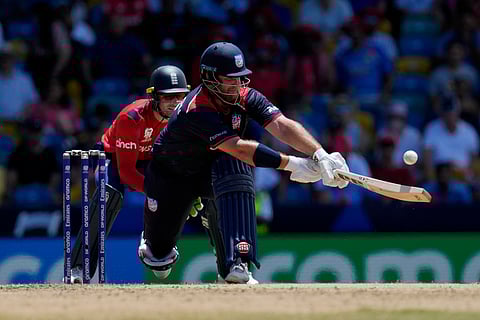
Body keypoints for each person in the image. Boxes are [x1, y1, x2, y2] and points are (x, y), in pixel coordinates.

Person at [138, 42, 350, 284]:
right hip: (173, 176)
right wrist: (293, 164)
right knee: (159, 257)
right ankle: (155, 238)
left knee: (235, 167)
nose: (238, 85)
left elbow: (280, 124)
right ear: (208, 78)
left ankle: (235, 263)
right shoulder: (195, 110)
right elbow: (238, 146)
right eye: (230, 79)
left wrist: (319, 154)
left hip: (212, 171)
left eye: (241, 78)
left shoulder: (245, 96)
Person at [68, 65, 192, 283]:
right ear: (154, 96)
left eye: (180, 96)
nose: (175, 102)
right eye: (168, 97)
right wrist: (160, 194)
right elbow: (126, 173)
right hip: (114, 159)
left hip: (151, 160)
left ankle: (156, 245)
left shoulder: (184, 118)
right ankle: (79, 268)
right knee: (110, 195)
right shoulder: (132, 118)